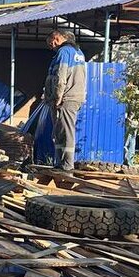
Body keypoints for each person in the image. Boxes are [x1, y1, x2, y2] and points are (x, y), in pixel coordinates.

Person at [44, 28, 87, 173]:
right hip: (75, 97)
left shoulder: (64, 52)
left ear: (56, 38)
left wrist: (57, 98)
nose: (51, 46)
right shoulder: (79, 53)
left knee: (65, 132)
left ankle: (66, 165)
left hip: (65, 98)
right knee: (60, 132)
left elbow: (60, 78)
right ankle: (59, 163)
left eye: (50, 43)